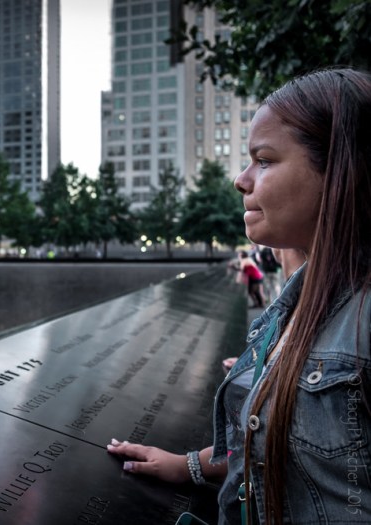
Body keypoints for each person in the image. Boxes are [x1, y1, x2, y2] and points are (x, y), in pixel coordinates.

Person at [108, 68, 371, 524]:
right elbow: (288, 449)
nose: (241, 179)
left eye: (264, 160)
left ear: (341, 171)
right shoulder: (296, 305)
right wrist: (189, 465)